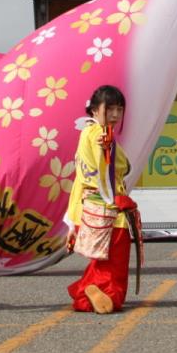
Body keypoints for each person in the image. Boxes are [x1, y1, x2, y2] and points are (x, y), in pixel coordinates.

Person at [66, 85, 142, 314]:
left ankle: (89, 289)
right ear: (94, 110)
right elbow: (107, 164)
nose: (115, 115)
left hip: (90, 208)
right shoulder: (100, 134)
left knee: (101, 258)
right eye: (109, 109)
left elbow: (81, 180)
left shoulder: (86, 133)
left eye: (119, 109)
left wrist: (72, 219)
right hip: (109, 209)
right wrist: (106, 146)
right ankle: (98, 293)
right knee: (114, 260)